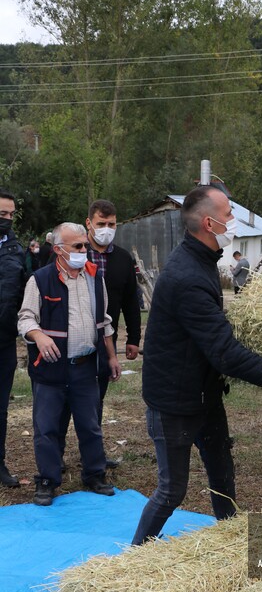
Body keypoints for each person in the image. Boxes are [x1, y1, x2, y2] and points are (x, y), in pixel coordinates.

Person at [131, 185, 262, 546]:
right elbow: (225, 353)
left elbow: (214, 336)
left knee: (223, 477)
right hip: (174, 402)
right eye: (228, 214)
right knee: (172, 489)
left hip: (204, 394)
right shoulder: (187, 277)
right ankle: (135, 554)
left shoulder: (202, 261)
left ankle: (229, 544)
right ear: (209, 224)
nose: (234, 220)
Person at [17, 222, 121, 506]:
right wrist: (38, 335)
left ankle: (95, 474)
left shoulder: (94, 277)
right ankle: (47, 480)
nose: (84, 250)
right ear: (59, 249)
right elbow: (25, 318)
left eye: (85, 245)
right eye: (78, 246)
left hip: (85, 367)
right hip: (50, 368)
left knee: (90, 425)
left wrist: (112, 356)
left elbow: (105, 322)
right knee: (47, 428)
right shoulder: (40, 280)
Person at [81, 199, 141, 466]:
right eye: (101, 223)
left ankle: (93, 455)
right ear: (89, 223)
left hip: (107, 338)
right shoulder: (76, 253)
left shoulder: (123, 258)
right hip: (73, 338)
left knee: (97, 398)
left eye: (111, 224)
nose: (106, 229)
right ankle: (55, 455)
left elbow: (131, 301)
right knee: (66, 399)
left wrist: (134, 338)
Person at [0, 189, 25, 488]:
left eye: (10, 214)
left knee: (0, 408)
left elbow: (23, 291)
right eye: (1, 214)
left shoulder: (16, 250)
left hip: (4, 340)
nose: (7, 219)